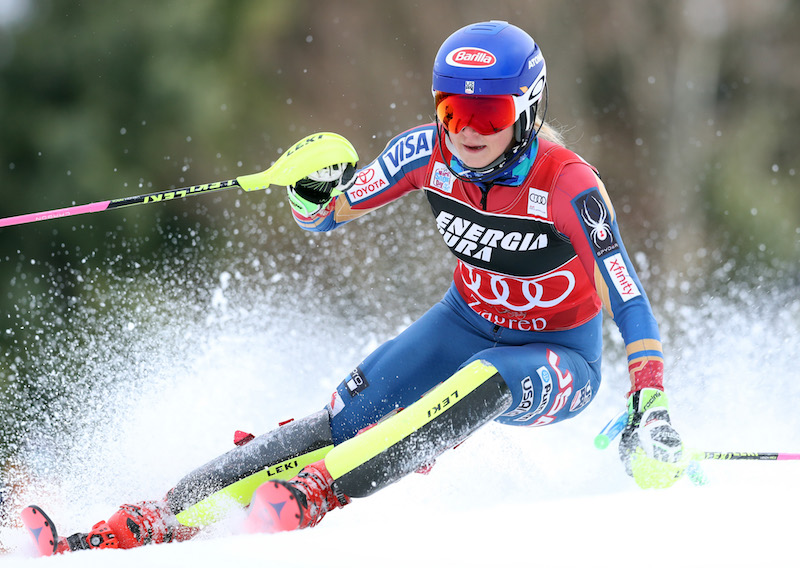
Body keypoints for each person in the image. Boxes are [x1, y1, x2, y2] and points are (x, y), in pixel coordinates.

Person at [37, 20, 686, 553]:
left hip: (557, 358)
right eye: (453, 109)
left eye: (487, 114)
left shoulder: (568, 184)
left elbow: (626, 293)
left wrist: (649, 399)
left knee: (486, 376)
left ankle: (318, 491)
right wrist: (305, 183)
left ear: (528, 109)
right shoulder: (422, 155)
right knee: (345, 417)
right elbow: (326, 215)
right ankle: (156, 517)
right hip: (463, 322)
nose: (466, 131)